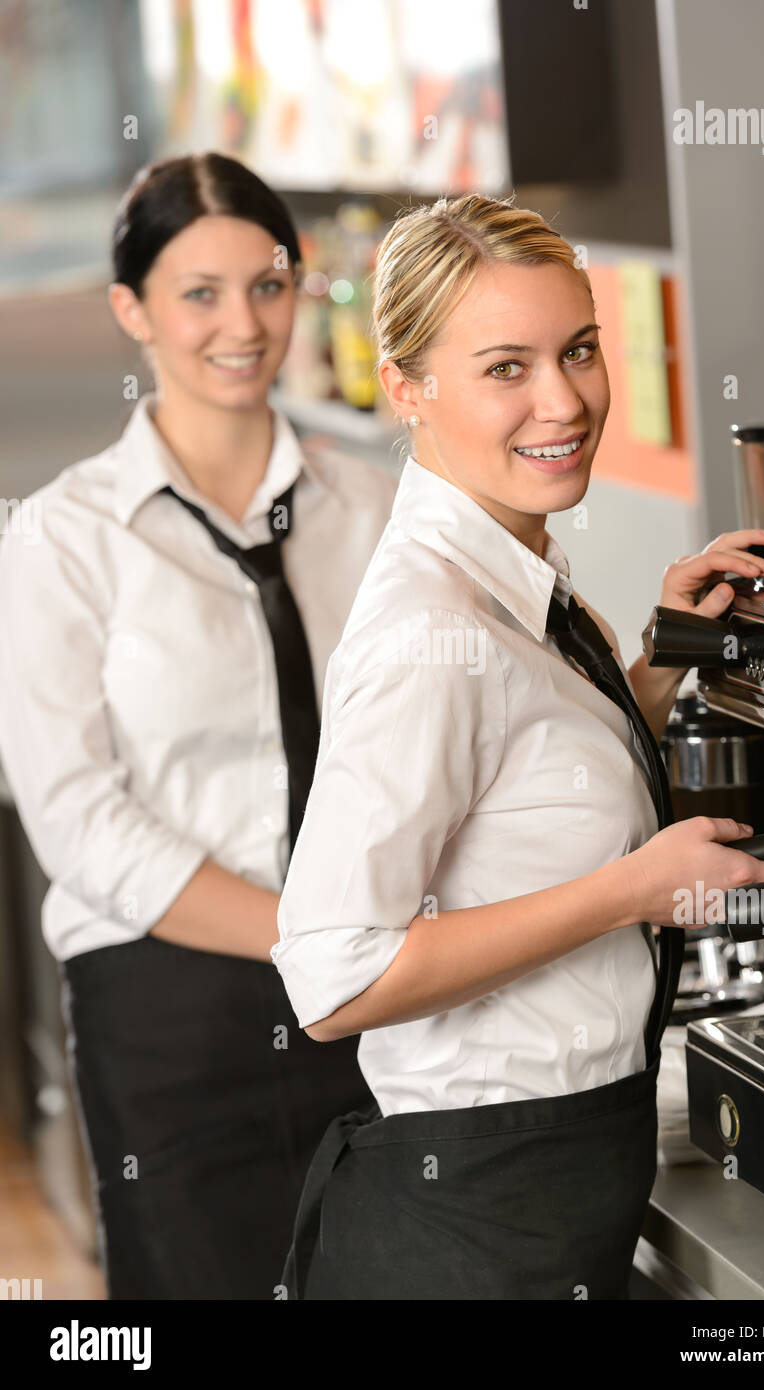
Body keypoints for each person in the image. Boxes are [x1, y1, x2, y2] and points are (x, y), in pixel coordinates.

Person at [271, 192, 764, 1301]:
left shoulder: (515, 582)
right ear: (405, 388)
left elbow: (530, 786)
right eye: (506, 366)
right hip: (468, 1227)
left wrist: (661, 655)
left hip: (544, 1194)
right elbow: (332, 970)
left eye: (581, 349)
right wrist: (630, 890)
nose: (564, 400)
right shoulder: (431, 626)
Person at [0, 152, 397, 1300]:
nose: (242, 323)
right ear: (132, 309)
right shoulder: (65, 538)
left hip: (371, 1002)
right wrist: (304, 933)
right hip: (172, 1010)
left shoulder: (369, 510)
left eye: (267, 286)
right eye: (199, 293)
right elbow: (76, 820)